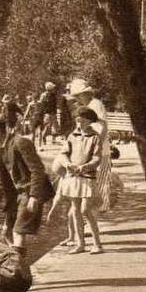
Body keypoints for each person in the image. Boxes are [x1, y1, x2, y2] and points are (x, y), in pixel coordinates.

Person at [0, 115, 54, 252]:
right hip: (17, 195)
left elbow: (38, 170)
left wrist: (34, 196)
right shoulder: (2, 150)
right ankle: (16, 262)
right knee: (6, 232)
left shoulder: (21, 142)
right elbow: (2, 182)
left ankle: (16, 269)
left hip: (29, 193)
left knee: (18, 231)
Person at [47, 107, 105, 254]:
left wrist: (86, 166)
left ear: (89, 121)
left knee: (85, 209)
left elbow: (97, 158)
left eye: (81, 119)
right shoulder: (72, 135)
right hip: (73, 176)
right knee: (75, 210)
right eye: (77, 119)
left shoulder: (95, 137)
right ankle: (80, 244)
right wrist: (68, 164)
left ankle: (97, 244)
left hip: (87, 177)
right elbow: (63, 154)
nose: (78, 121)